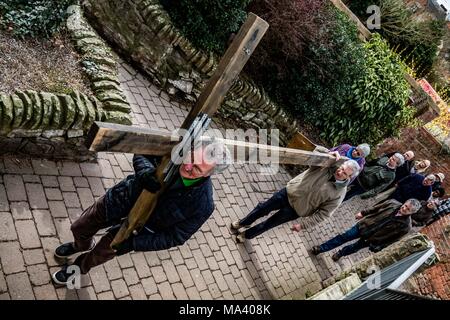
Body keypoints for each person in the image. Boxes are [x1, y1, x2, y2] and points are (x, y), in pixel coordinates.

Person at [51, 141, 231, 285]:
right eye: (191, 158)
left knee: (99, 255)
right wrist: (144, 171)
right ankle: (81, 244)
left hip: (135, 232)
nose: (188, 166)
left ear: (209, 174)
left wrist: (135, 243)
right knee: (79, 227)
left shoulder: (203, 205)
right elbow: (143, 152)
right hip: (120, 199)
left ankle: (78, 268)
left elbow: (176, 237)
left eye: (198, 169)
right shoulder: (176, 149)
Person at [230, 146, 361, 242]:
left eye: (344, 173)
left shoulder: (339, 194)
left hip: (296, 210)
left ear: (349, 178)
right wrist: (327, 153)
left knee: (269, 223)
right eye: (341, 168)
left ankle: (246, 235)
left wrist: (303, 225)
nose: (340, 172)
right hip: (289, 192)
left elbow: (324, 214)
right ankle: (243, 222)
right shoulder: (327, 165)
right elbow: (313, 153)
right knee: (262, 208)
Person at [311, 198, 420, 261]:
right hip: (364, 226)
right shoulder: (392, 203)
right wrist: (363, 213)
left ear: (412, 213)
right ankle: (321, 248)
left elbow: (393, 240)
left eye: (408, 209)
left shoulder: (406, 226)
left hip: (372, 239)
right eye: (405, 205)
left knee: (354, 248)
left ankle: (340, 253)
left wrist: (379, 246)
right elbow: (375, 208)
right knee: (344, 237)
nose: (404, 208)